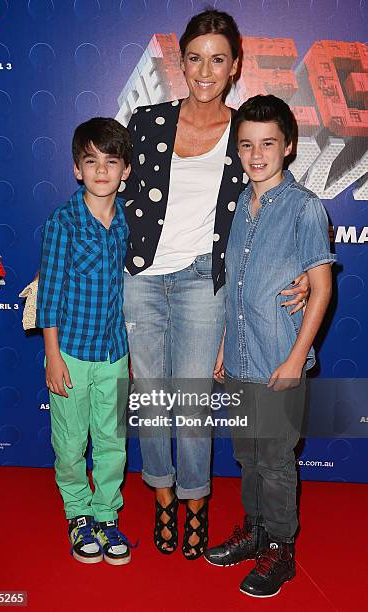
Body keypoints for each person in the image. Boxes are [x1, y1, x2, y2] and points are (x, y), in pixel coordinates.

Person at [121, 10, 309, 560]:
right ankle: (161, 495)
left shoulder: (242, 131)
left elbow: (281, 199)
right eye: (196, 57)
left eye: (218, 58)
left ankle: (196, 501)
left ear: (235, 66)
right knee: (154, 398)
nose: (206, 69)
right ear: (182, 63)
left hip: (204, 280)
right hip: (142, 279)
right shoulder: (148, 121)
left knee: (196, 401)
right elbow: (108, 192)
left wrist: (301, 268)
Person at [204, 95, 336, 596]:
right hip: (239, 356)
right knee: (248, 457)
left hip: (280, 356)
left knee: (277, 461)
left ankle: (280, 549)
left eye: (268, 144)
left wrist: (296, 358)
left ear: (288, 147)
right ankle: (254, 531)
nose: (256, 154)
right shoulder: (239, 204)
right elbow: (235, 284)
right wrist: (221, 347)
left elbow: (321, 287)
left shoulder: (304, 208)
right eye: (246, 145)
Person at [36, 117, 133, 565]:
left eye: (110, 162)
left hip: (114, 353)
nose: (100, 171)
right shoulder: (63, 224)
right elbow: (49, 296)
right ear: (77, 168)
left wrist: (126, 358)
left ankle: (106, 515)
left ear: (125, 170)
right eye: (91, 161)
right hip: (70, 354)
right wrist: (52, 356)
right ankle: (77, 513)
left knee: (112, 441)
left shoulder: (125, 221)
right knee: (72, 442)